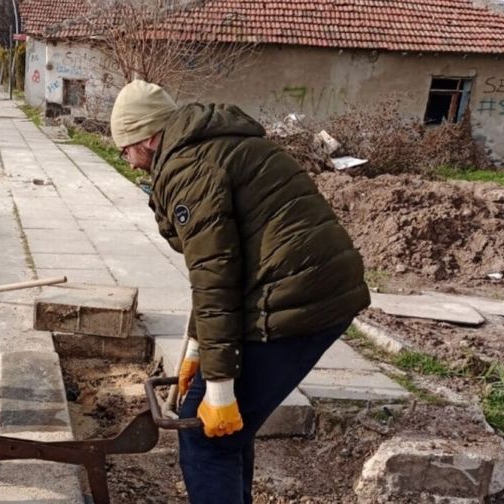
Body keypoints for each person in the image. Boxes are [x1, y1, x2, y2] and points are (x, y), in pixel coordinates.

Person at [110, 80, 370, 503]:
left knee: (206, 437)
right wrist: (198, 350)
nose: (129, 162)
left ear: (148, 138)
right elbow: (224, 262)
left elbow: (215, 277)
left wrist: (219, 385)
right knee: (229, 432)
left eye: (126, 150)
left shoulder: (187, 169)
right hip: (311, 284)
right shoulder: (217, 145)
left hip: (296, 297)